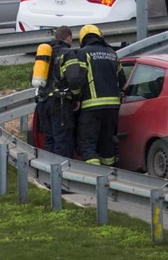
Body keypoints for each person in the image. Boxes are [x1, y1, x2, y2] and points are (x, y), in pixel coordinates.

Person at [65, 24, 126, 167]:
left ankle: (94, 178)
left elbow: (78, 79)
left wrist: (76, 98)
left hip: (91, 107)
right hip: (112, 107)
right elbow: (122, 79)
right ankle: (110, 174)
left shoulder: (83, 53)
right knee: (107, 142)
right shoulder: (112, 53)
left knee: (88, 143)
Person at [33, 26, 78, 158]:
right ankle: (61, 175)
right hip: (60, 104)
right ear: (69, 37)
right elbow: (74, 79)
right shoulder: (68, 54)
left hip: (43, 102)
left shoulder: (45, 54)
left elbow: (33, 76)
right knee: (62, 141)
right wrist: (76, 97)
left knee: (49, 139)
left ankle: (49, 174)